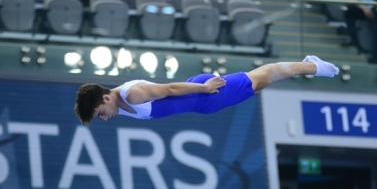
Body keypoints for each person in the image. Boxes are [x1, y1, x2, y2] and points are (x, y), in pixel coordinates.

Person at [74, 57, 338, 125]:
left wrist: (204, 86)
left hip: (203, 93)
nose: (105, 118)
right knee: (261, 82)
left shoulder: (131, 95)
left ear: (106, 97)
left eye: (101, 113)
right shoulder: (119, 104)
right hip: (201, 104)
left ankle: (312, 65)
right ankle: (308, 65)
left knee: (262, 78)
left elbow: (171, 88)